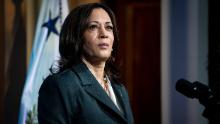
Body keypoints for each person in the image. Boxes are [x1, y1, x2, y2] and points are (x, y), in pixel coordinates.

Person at [38, 2, 134, 124]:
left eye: (109, 27)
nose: (104, 34)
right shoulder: (61, 86)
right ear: (76, 37)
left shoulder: (120, 90)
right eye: (93, 27)